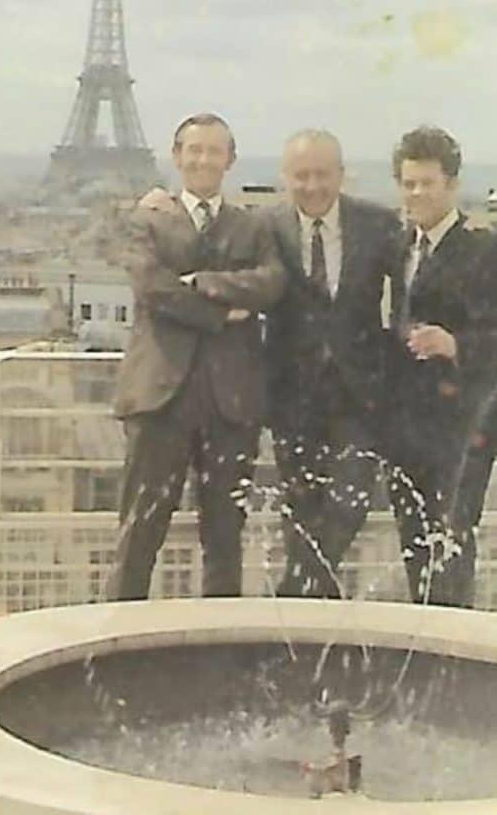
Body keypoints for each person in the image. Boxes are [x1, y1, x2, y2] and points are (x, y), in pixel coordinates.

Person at [110, 113, 286, 600]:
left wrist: (205, 284)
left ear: (230, 160)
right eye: (195, 150)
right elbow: (152, 288)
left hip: (230, 404)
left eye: (214, 151)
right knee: (139, 533)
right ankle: (111, 650)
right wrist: (221, 313)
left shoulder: (252, 225)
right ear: (176, 156)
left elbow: (272, 283)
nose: (204, 160)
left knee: (225, 538)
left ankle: (219, 655)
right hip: (161, 399)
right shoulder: (146, 219)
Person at [265, 129, 401, 597]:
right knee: (300, 507)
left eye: (323, 174)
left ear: (341, 175)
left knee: (351, 499)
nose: (312, 186)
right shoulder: (266, 226)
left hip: (358, 392)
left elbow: (416, 284)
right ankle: (309, 617)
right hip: (292, 395)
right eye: (301, 176)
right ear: (286, 178)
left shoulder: (379, 225)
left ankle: (294, 594)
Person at [386, 125, 497, 606]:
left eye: (426, 183)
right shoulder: (396, 247)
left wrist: (456, 344)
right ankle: (426, 650)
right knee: (415, 543)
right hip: (404, 423)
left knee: (451, 541)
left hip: (461, 425)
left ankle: (450, 657)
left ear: (451, 184)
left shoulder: (483, 250)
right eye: (408, 183)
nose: (416, 193)